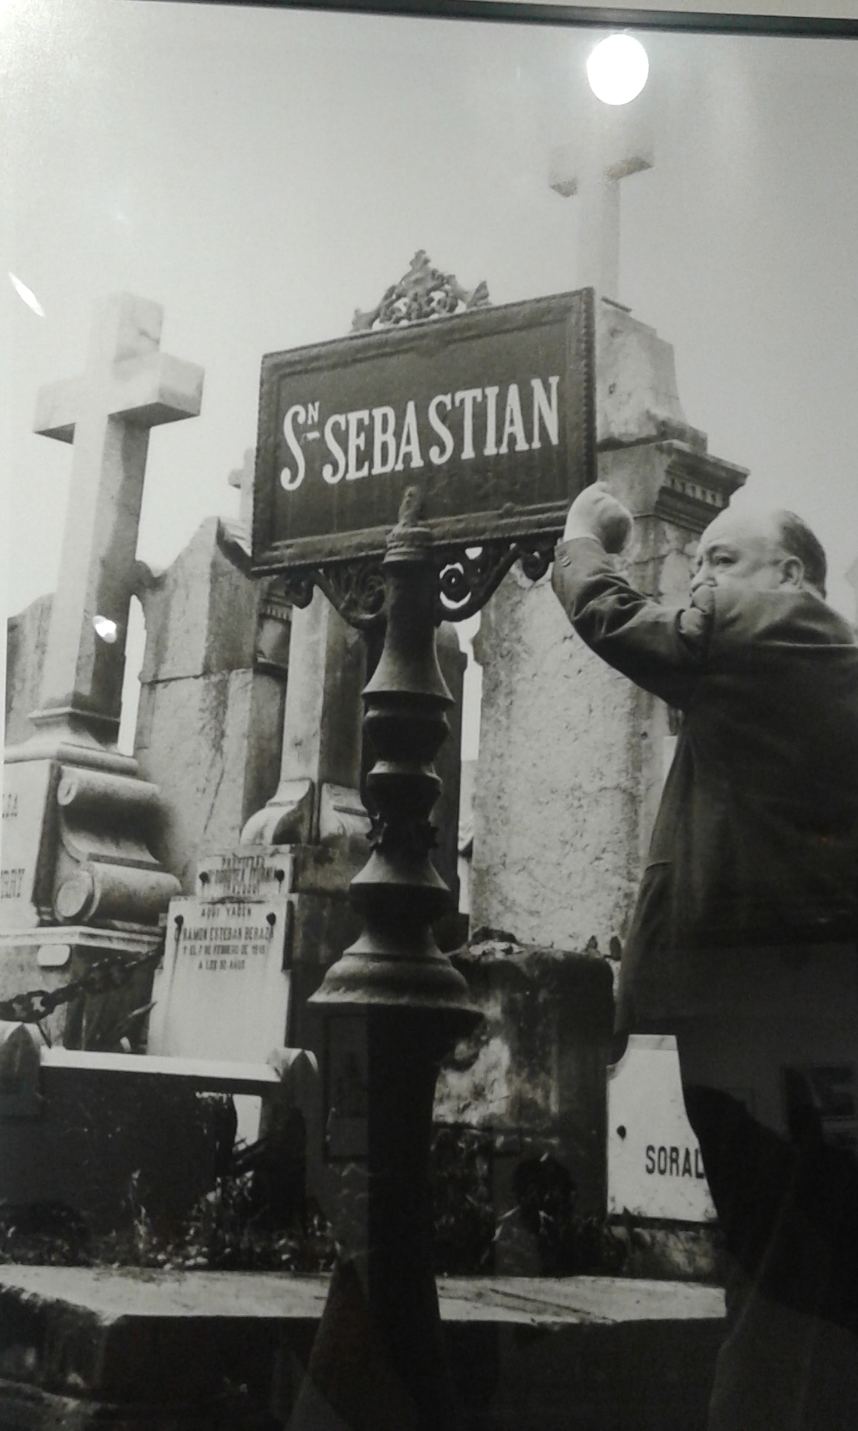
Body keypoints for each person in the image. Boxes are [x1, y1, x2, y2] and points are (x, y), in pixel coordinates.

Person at [552, 484, 858, 1430]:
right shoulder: (817, 667)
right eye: (700, 564)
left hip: (744, 1011)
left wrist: (581, 541)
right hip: (817, 1015)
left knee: (774, 1268)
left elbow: (621, 619)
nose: (701, 579)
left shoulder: (773, 624)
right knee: (805, 1265)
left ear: (789, 573)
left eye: (721, 559)